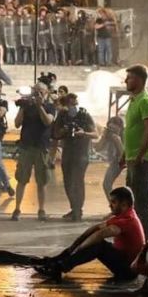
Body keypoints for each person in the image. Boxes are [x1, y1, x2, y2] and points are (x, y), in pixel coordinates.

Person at [36, 187, 143, 282]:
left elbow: (99, 235)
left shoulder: (127, 220)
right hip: (125, 262)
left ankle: (59, 267)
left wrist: (78, 250)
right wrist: (70, 249)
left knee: (99, 246)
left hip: (128, 271)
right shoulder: (126, 214)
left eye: (113, 202)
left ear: (124, 204)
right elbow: (95, 228)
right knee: (97, 243)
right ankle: (60, 261)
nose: (109, 205)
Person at [120, 64, 148, 238]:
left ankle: (146, 242)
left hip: (142, 161)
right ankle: (136, 237)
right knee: (132, 201)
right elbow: (133, 131)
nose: (126, 81)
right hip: (133, 159)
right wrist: (124, 155)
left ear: (140, 80)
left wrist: (139, 156)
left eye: (130, 78)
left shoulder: (145, 101)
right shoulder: (134, 100)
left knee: (142, 204)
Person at [11, 82, 55, 221]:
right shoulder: (26, 106)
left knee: (42, 181)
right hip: (26, 146)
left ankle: (41, 209)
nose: (38, 94)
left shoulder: (49, 107)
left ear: (46, 93)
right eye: (35, 91)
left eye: (41, 92)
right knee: (22, 179)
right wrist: (23, 107)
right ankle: (17, 208)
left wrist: (39, 106)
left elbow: (48, 121)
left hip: (41, 147)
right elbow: (17, 123)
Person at [52, 93, 97, 221]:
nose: (73, 106)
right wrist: (65, 130)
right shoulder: (62, 116)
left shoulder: (84, 115)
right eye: (70, 104)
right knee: (68, 182)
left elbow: (95, 134)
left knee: (77, 181)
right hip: (68, 153)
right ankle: (74, 208)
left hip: (81, 153)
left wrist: (84, 133)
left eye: (74, 103)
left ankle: (78, 210)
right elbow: (55, 133)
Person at [96, 116, 124, 197]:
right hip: (115, 161)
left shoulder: (125, 134)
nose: (112, 132)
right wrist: (103, 137)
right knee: (106, 184)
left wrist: (118, 141)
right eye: (110, 129)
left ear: (120, 128)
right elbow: (98, 148)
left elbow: (123, 155)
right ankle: (114, 205)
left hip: (127, 160)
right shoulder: (109, 135)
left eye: (114, 129)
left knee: (130, 187)